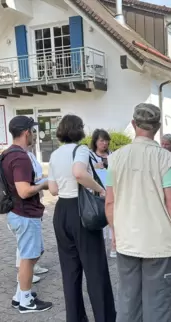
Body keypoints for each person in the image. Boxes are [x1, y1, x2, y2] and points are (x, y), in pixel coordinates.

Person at [106, 103, 171, 322]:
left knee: (128, 302)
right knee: (157, 306)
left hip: (127, 241)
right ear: (157, 127)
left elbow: (109, 202)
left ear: (133, 124)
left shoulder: (115, 158)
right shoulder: (166, 159)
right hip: (159, 245)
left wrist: (114, 233)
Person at [47, 115, 116, 322]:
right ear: (79, 130)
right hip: (81, 211)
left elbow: (52, 189)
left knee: (70, 272)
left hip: (62, 212)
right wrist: (100, 190)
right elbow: (79, 173)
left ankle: (75, 318)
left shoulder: (55, 154)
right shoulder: (82, 150)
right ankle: (104, 318)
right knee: (96, 270)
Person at [3, 116, 52, 313]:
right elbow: (24, 191)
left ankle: (19, 295)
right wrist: (44, 184)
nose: (33, 135)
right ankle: (25, 302)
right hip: (24, 214)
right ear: (26, 133)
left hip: (18, 212)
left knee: (34, 253)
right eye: (32, 131)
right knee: (27, 257)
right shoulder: (20, 157)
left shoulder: (8, 153)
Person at [89, 128, 116, 258]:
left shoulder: (113, 154)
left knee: (113, 219)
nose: (104, 143)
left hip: (113, 191)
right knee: (100, 220)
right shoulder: (90, 156)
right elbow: (86, 172)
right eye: (101, 140)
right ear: (95, 141)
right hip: (97, 193)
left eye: (106, 140)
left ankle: (114, 247)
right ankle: (100, 249)